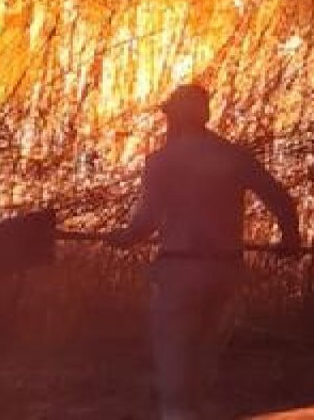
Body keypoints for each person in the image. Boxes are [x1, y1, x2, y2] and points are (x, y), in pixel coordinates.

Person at [109, 83, 301, 420]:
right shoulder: (233, 156)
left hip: (180, 272)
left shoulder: (163, 160)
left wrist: (123, 237)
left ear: (176, 118)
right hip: (226, 272)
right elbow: (281, 200)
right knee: (206, 365)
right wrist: (290, 238)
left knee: (176, 377)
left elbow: (147, 223)